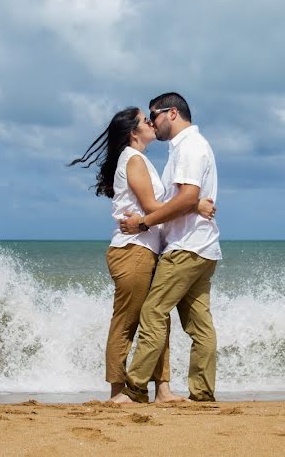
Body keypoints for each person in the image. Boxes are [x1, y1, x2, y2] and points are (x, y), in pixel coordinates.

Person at [69, 106, 216, 402]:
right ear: (133, 132)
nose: (151, 123)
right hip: (132, 251)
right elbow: (150, 208)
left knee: (155, 319)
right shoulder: (134, 159)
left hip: (146, 249)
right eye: (144, 120)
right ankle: (118, 391)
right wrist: (196, 204)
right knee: (128, 322)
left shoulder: (140, 159)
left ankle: (162, 389)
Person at [113, 92, 221, 404]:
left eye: (154, 116)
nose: (152, 123)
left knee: (153, 311)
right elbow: (189, 201)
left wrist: (143, 224)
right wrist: (192, 206)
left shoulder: (189, 147)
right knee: (199, 324)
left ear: (171, 113)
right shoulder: (187, 147)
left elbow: (187, 197)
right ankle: (201, 392)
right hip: (203, 246)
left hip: (186, 247)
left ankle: (134, 389)